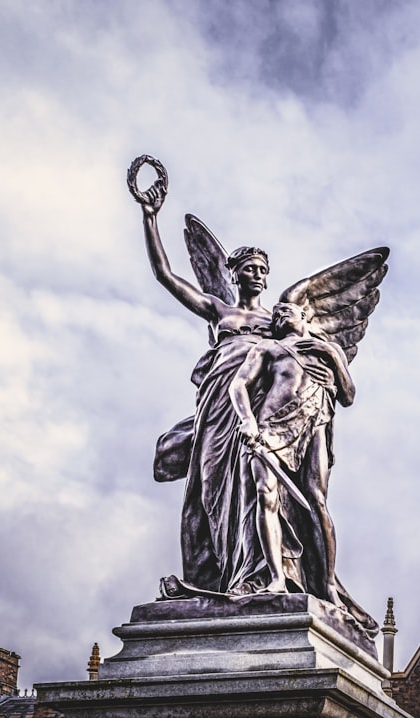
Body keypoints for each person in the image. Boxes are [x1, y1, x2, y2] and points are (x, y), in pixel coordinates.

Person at [140, 185, 274, 594]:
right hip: (217, 403)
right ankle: (215, 574)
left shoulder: (276, 321)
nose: (257, 274)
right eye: (249, 268)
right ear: (234, 274)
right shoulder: (221, 310)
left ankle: (251, 574)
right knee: (211, 485)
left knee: (251, 485)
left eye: (262, 270)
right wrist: (150, 217)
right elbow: (165, 276)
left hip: (254, 403)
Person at [228, 302, 353, 605]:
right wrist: (247, 421)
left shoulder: (325, 351)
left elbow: (348, 395)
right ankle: (276, 578)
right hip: (270, 427)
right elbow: (239, 385)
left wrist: (335, 357)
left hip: (315, 425)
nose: (281, 314)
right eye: (276, 314)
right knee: (265, 494)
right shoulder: (268, 348)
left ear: (305, 318)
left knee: (317, 500)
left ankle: (328, 584)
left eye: (288, 310)